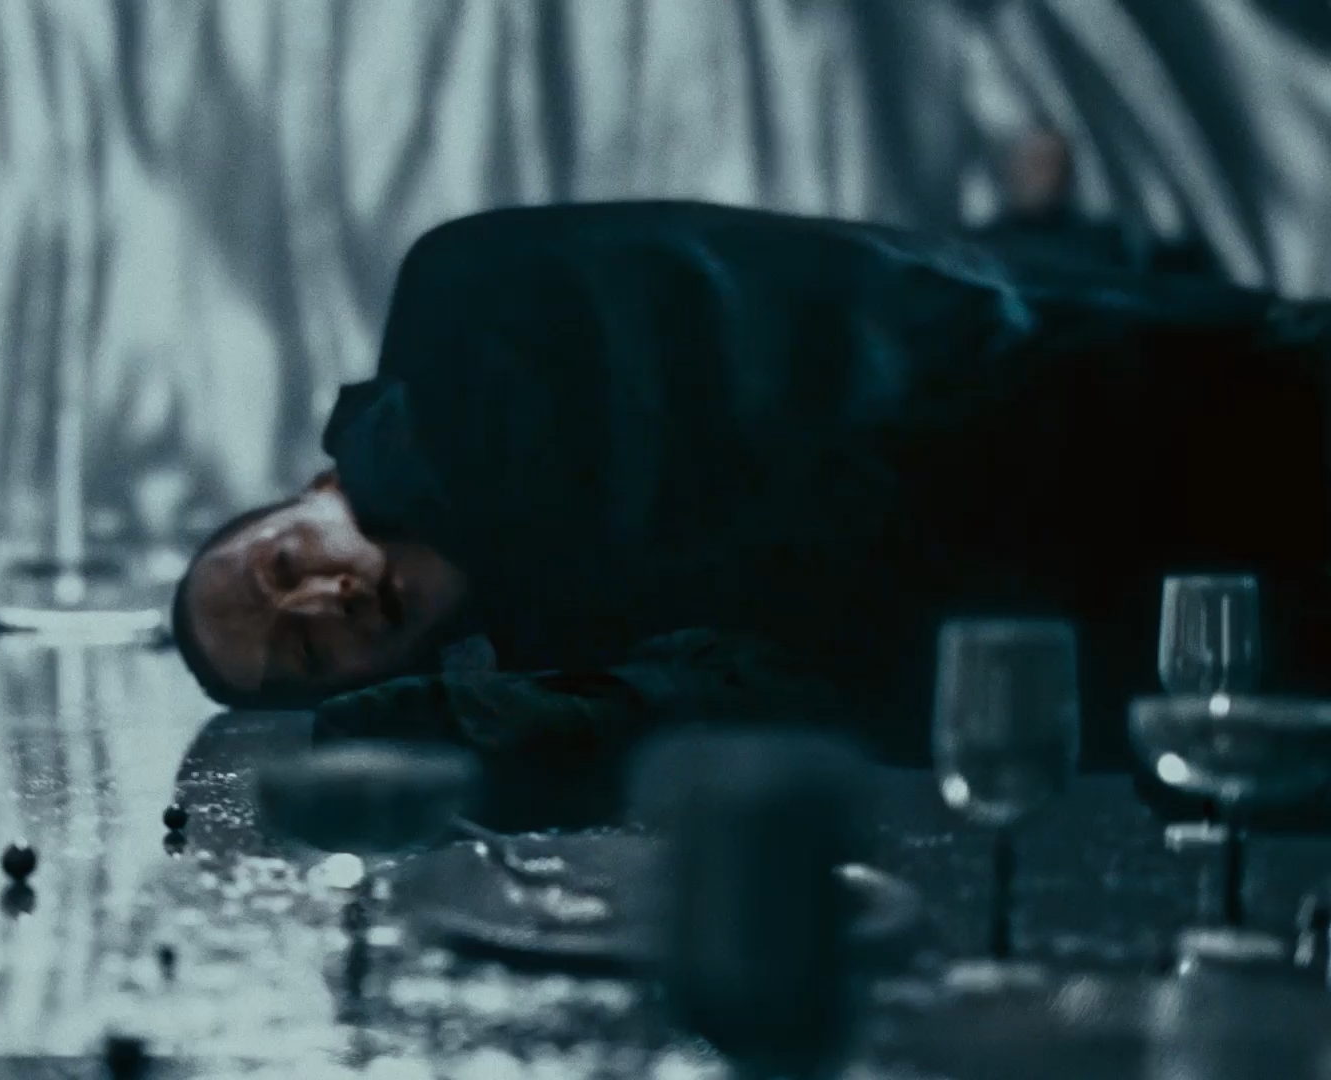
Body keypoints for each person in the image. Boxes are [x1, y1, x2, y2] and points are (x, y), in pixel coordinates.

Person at [172, 199, 1331, 828]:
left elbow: (580, 424)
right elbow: (780, 693)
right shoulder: (553, 636)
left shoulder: (458, 310)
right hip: (1227, 644)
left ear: (316, 493)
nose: (322, 602)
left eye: (284, 566)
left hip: (1216, 405)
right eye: (306, 652)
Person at [970, 127, 1223, 279]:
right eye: (1034, 163)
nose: (1043, 175)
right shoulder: (979, 249)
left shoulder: (1103, 243)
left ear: (1067, 174)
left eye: (1053, 164)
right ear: (1009, 170)